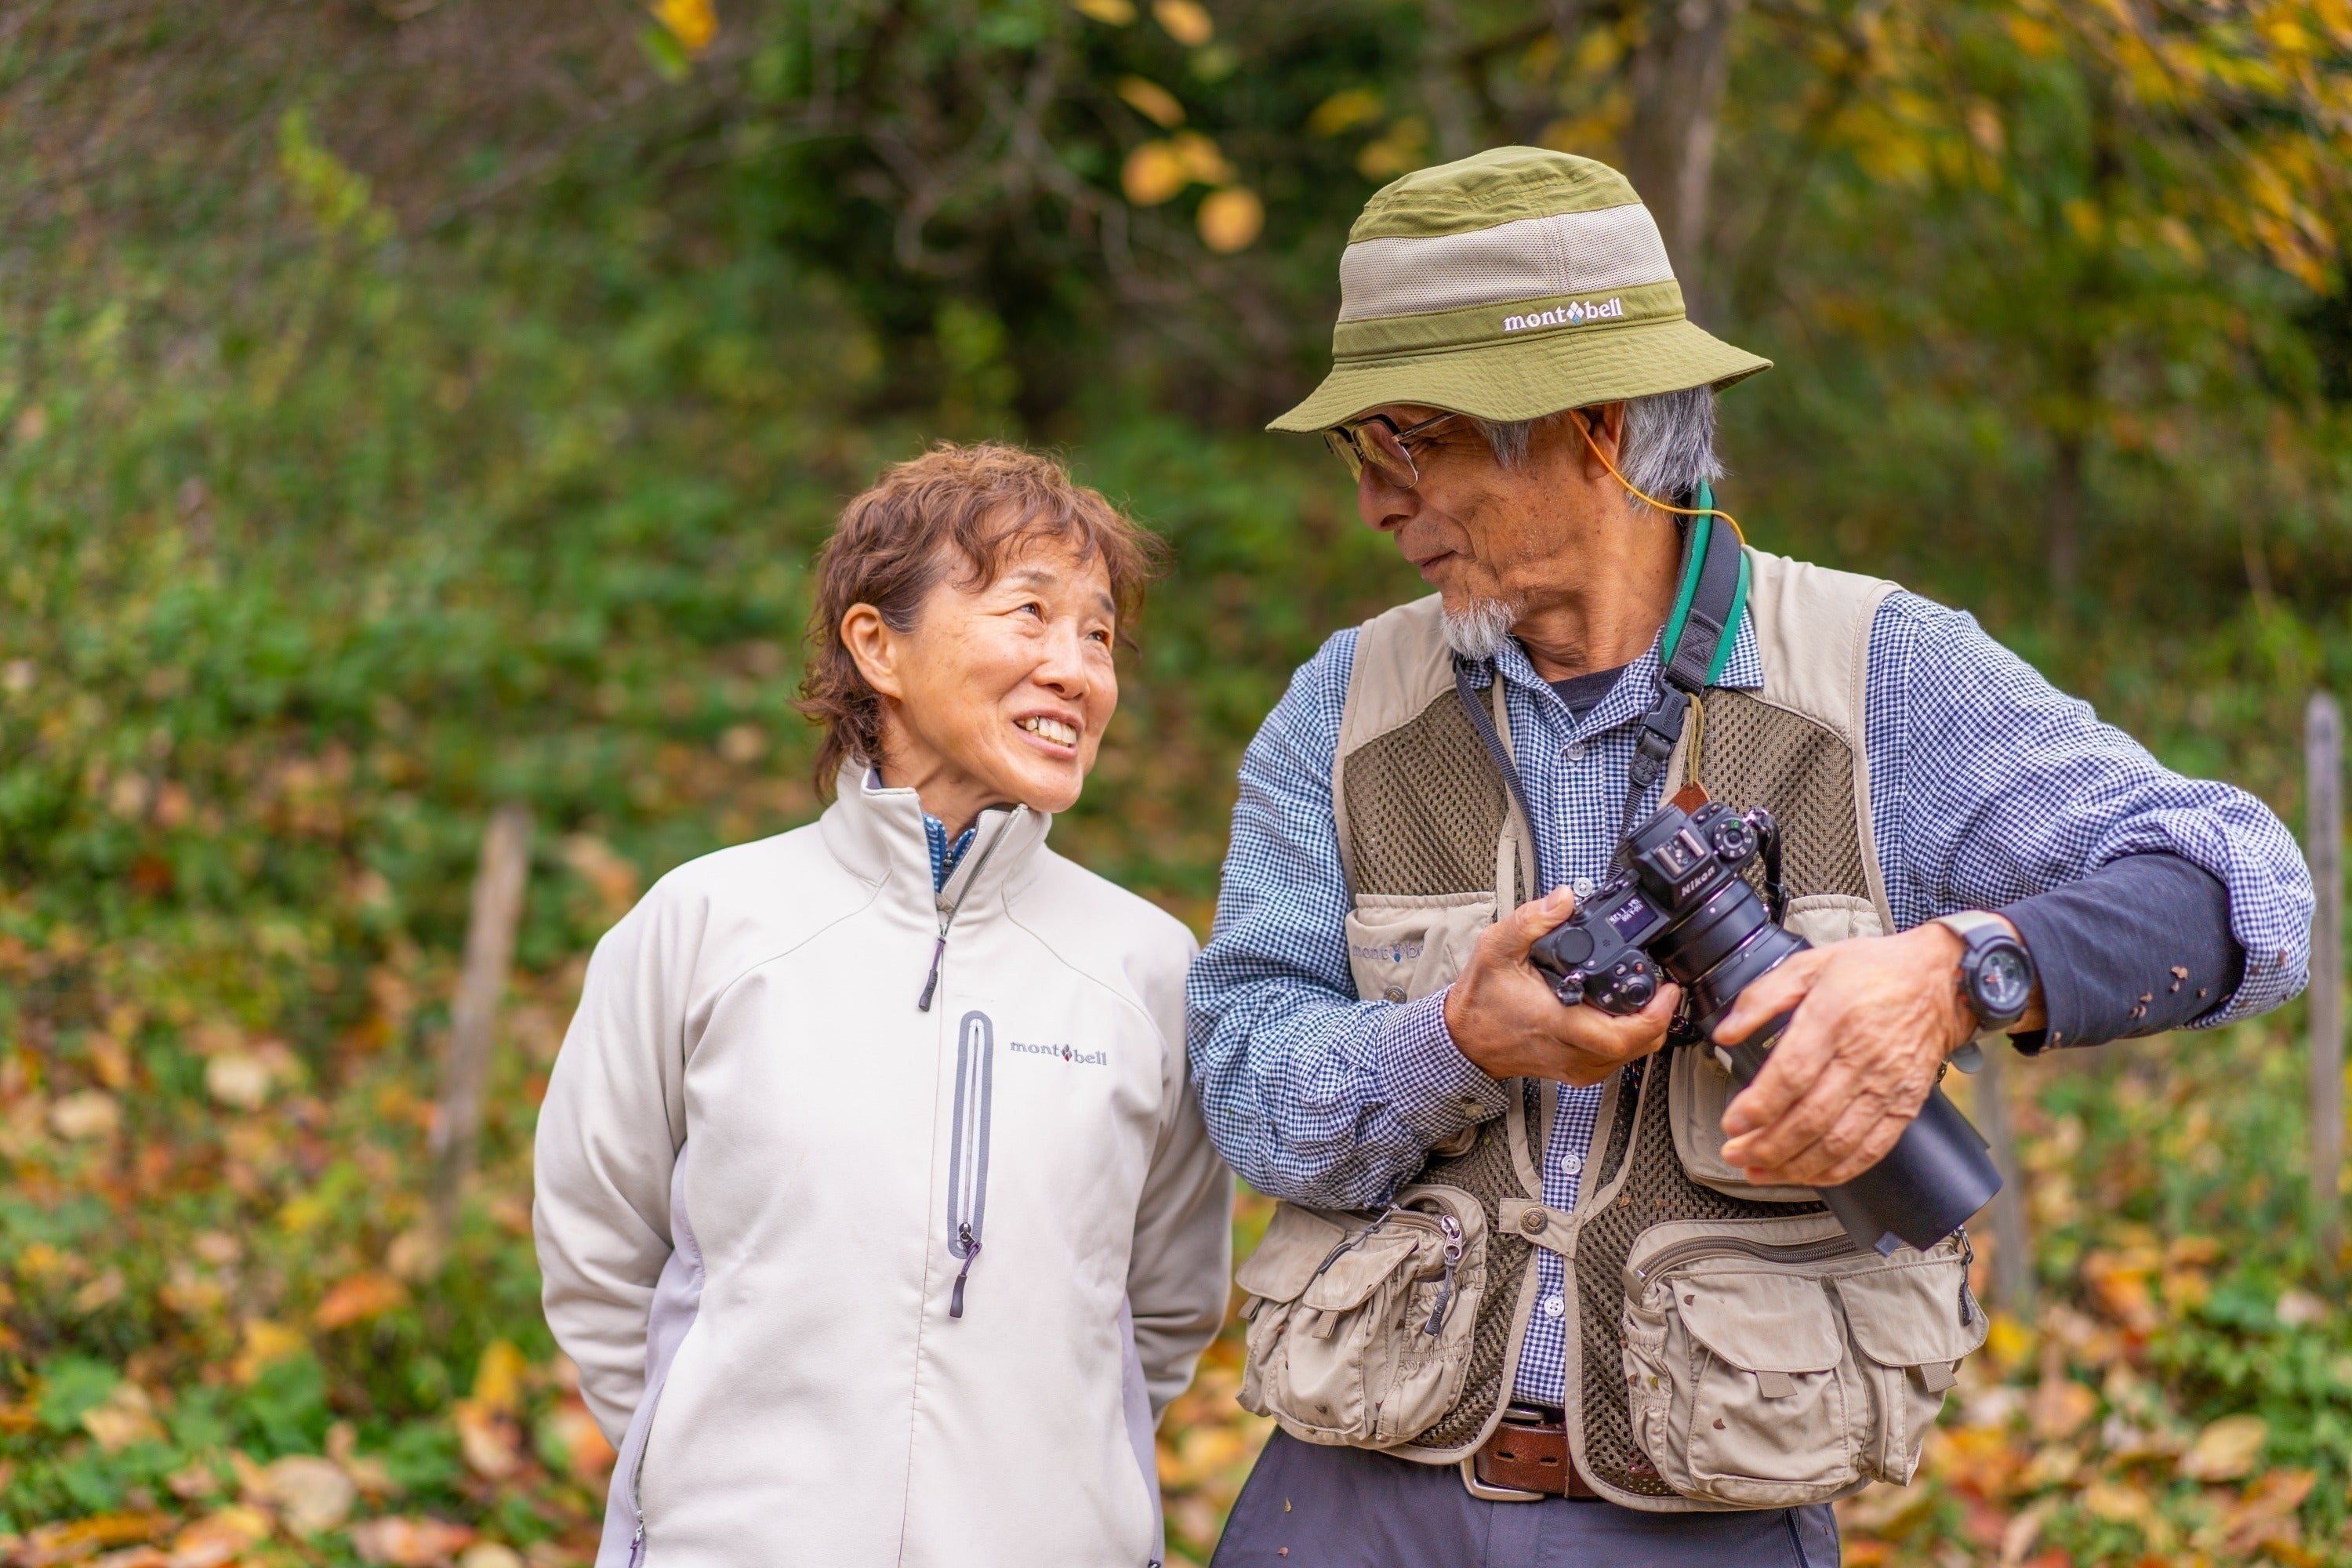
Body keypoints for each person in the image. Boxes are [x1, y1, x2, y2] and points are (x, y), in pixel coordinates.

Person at [1188, 147, 2311, 1566]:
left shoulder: (1878, 677)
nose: (1376, 502)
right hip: (1347, 1507)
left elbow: (2247, 885)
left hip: (1711, 1528)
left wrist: (1956, 976)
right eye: (1363, 454)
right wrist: (1454, 1042)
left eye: (1412, 442)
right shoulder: (1338, 710)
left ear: (1590, 426)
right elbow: (1245, 1076)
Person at [535, 443, 1232, 1568]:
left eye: (1098, 634)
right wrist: (710, 1485)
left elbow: (1163, 1307)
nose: (1077, 669)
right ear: (878, 646)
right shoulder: (705, 925)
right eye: (1030, 613)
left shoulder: (1150, 970)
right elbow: (596, 1245)